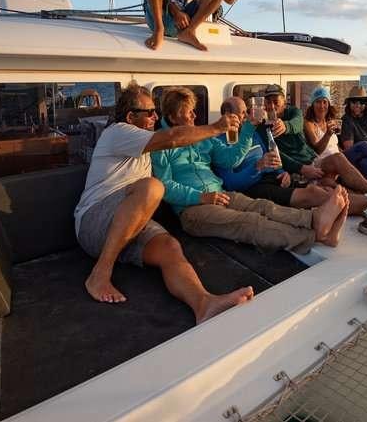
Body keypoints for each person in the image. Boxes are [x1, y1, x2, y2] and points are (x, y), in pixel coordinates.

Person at [73, 81, 254, 322]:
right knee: (151, 187)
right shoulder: (117, 132)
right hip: (94, 220)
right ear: (130, 116)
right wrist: (216, 127)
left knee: (169, 246)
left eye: (156, 111)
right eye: (149, 112)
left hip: (129, 221)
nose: (155, 116)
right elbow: (170, 138)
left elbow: (176, 147)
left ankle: (203, 303)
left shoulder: (146, 145)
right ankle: (100, 273)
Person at [150, 87, 350, 254]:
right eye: (189, 111)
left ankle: (313, 220)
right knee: (248, 222)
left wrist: (249, 128)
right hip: (192, 210)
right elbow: (165, 187)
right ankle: (315, 236)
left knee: (263, 206)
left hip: (221, 195)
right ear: (173, 117)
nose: (195, 115)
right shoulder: (161, 145)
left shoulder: (202, 136)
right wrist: (201, 197)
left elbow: (230, 160)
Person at [261, 84, 367, 195]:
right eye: (268, 102)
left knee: (354, 161)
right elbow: (279, 155)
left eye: (276, 101)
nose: (272, 106)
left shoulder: (295, 113)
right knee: (361, 152)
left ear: (284, 101)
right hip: (310, 165)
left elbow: (296, 122)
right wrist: (301, 168)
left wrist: (285, 126)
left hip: (316, 160)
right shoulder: (264, 128)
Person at [214, 96, 333, 208]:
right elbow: (231, 184)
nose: (247, 116)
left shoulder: (252, 134)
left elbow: (271, 157)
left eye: (247, 111)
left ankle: (341, 200)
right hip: (254, 187)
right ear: (227, 115)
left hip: (272, 178)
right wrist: (258, 166)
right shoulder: (219, 143)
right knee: (313, 194)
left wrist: (282, 173)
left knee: (322, 188)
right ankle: (341, 203)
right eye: (242, 113)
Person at [303, 86, 367, 182]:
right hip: (324, 162)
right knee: (364, 145)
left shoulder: (329, 121)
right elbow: (317, 150)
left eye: (325, 102)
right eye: (318, 102)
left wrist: (343, 153)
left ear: (329, 104)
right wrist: (328, 134)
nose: (322, 106)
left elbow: (334, 146)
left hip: (339, 158)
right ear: (312, 104)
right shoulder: (309, 123)